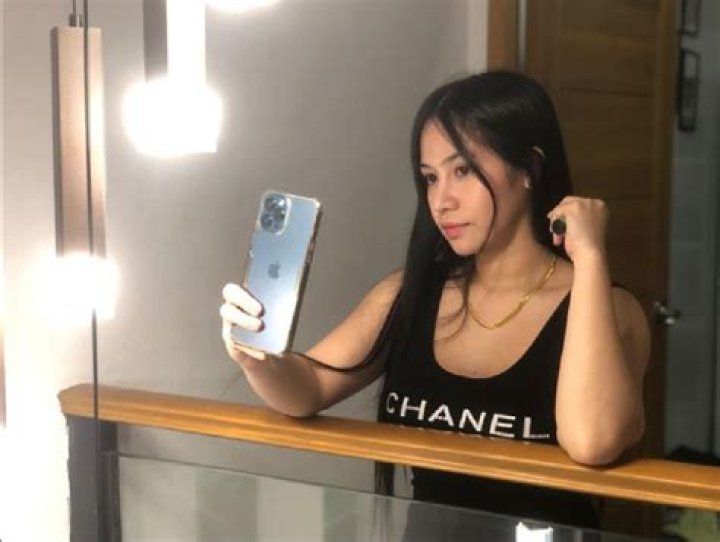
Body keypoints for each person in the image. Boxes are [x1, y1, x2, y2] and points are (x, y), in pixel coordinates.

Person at [219, 70, 651, 535]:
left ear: (529, 167)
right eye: (430, 178)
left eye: (462, 171)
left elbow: (592, 440)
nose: (441, 201)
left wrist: (590, 256)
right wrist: (257, 357)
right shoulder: (408, 296)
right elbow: (307, 388)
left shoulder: (606, 307)